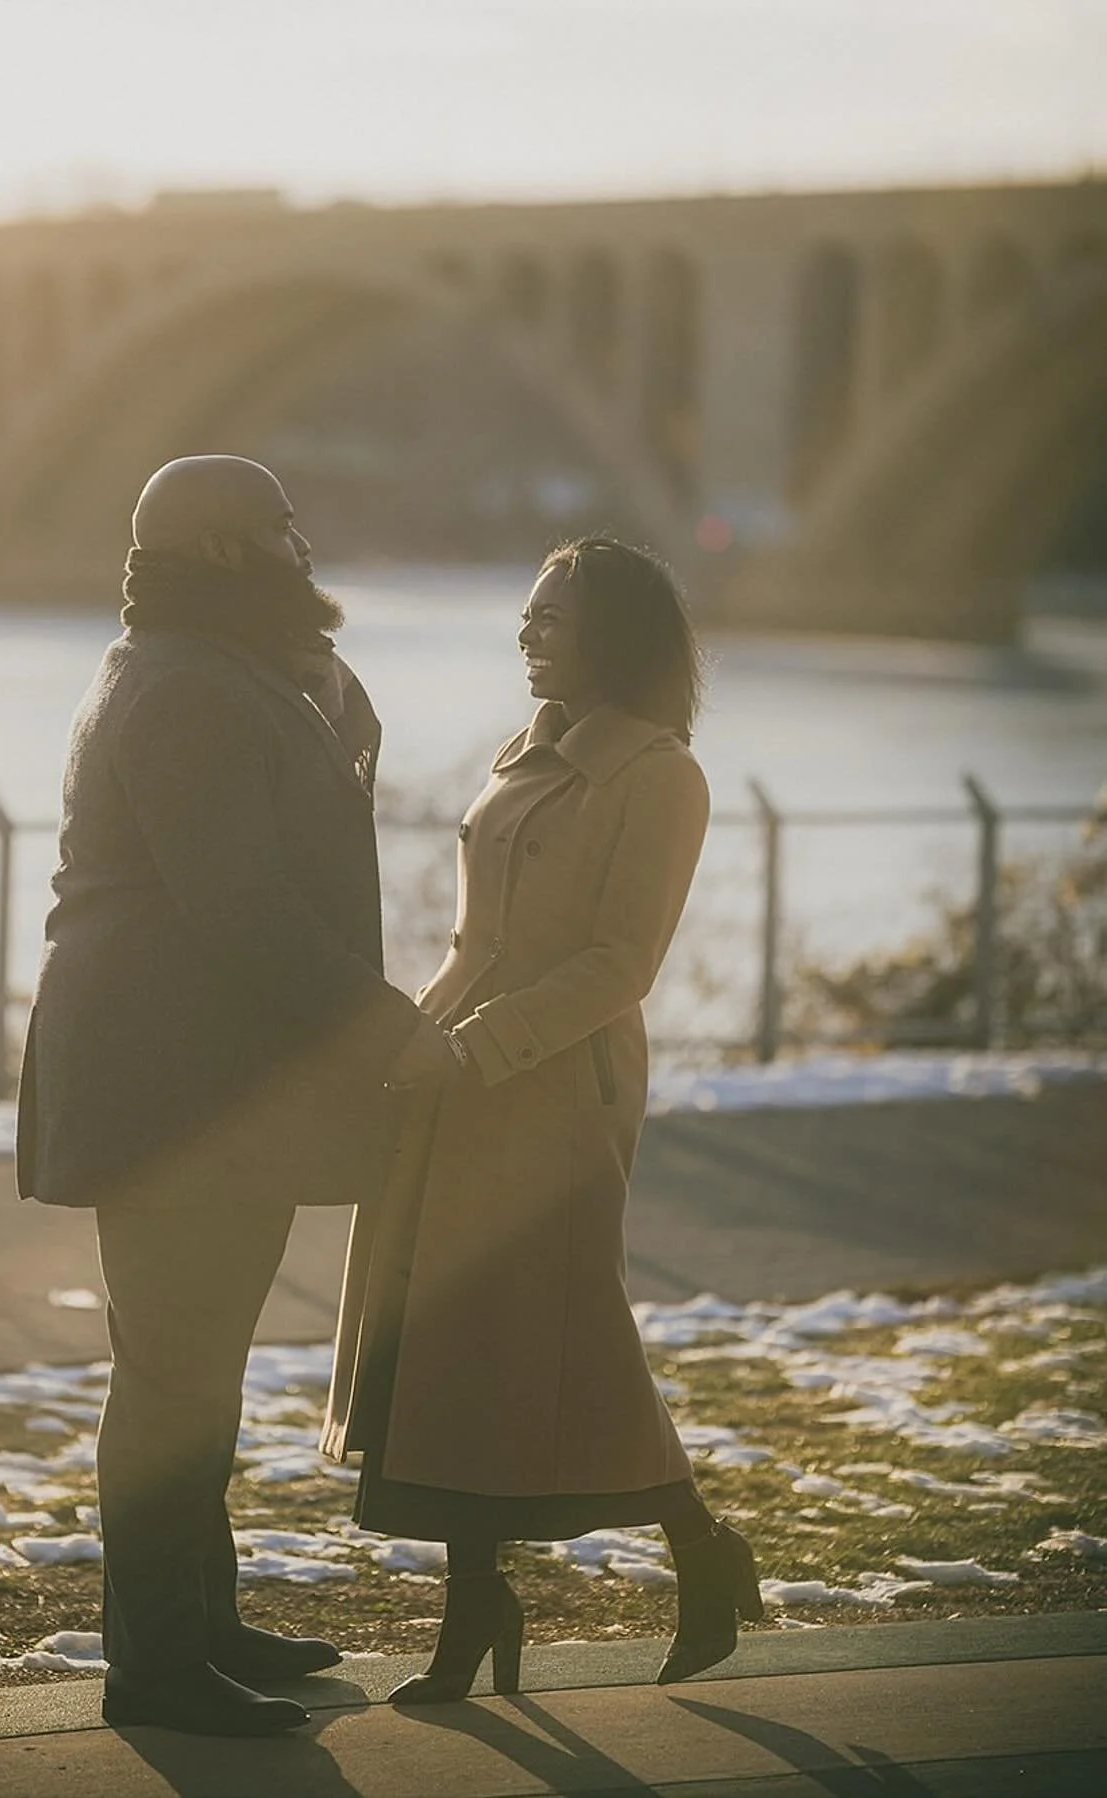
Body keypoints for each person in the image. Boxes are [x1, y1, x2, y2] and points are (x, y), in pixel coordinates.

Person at [16, 455, 456, 1736]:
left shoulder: (211, 666)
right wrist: (391, 1026)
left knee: (196, 1367)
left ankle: (200, 1620)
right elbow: (244, 911)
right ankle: (154, 1664)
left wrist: (327, 695)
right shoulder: (191, 690)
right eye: (277, 531)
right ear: (218, 553)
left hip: (199, 1080)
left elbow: (326, 740)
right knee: (172, 1379)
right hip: (170, 1086)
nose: (301, 547)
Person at [322, 537, 762, 1702]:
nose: (527, 633)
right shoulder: (526, 756)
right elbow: (480, 947)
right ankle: (475, 1611)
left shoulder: (658, 774)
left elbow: (621, 965)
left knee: (573, 1336)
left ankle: (702, 1550)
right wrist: (407, 1043)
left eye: (552, 616)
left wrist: (478, 1049)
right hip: (462, 1082)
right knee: (457, 1341)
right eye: (525, 613)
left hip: (559, 1090)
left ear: (613, 631)